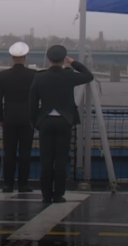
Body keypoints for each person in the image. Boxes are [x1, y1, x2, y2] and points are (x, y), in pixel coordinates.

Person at [29, 45, 93, 203]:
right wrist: (74, 62)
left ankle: (46, 194)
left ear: (49, 59)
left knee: (46, 160)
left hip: (45, 121)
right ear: (63, 59)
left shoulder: (39, 77)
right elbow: (88, 75)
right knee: (61, 160)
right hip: (64, 120)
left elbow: (33, 102)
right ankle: (58, 194)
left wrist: (34, 121)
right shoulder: (69, 75)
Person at [0, 41, 37, 193]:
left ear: (12, 57)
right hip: (28, 118)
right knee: (25, 153)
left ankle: (8, 184)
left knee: (9, 152)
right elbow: (37, 98)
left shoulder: (3, 75)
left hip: (9, 118)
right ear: (25, 57)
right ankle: (23, 184)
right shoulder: (33, 75)